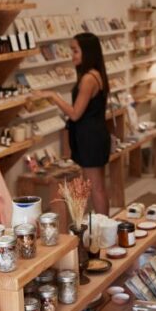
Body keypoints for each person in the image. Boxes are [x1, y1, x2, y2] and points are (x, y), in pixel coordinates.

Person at [34, 32, 111, 214]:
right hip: (94, 135)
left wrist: (53, 96)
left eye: (76, 51)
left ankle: (104, 229)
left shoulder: (88, 79)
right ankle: (101, 227)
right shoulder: (95, 75)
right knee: (96, 186)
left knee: (96, 187)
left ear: (87, 52)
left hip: (91, 138)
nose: (72, 55)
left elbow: (75, 114)